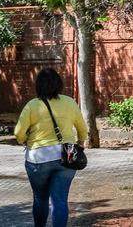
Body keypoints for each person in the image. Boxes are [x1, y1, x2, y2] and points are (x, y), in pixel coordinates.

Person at [15, 68, 88, 227]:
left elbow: (18, 132)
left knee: (40, 198)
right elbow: (83, 130)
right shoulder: (69, 102)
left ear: (38, 85)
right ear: (58, 84)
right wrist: (81, 144)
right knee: (60, 200)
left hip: (38, 159)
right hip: (66, 158)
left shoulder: (32, 105)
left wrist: (24, 141)